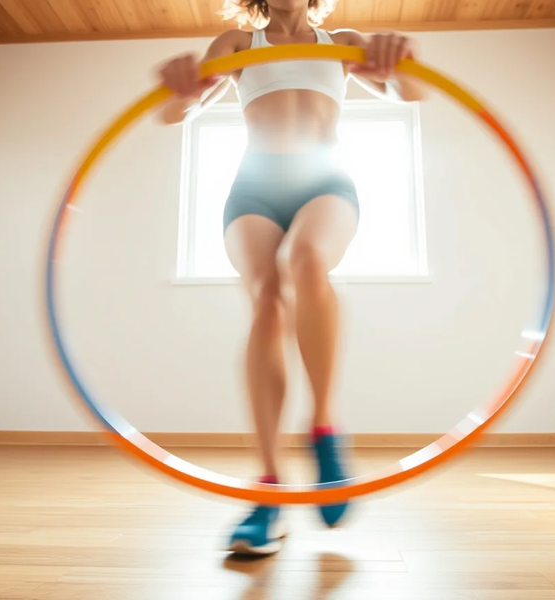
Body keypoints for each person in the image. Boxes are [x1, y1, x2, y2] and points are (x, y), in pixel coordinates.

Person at [156, 0, 426, 556]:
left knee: (306, 259)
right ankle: (269, 491)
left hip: (324, 181)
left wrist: (399, 62)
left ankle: (323, 432)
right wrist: (180, 90)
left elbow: (410, 93)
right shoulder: (237, 43)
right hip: (254, 189)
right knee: (267, 302)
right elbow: (176, 112)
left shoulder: (342, 41)